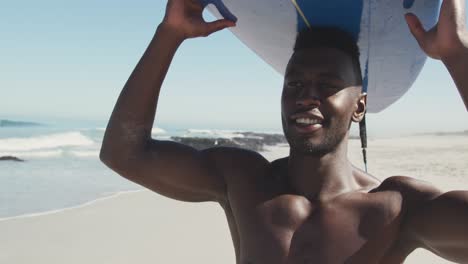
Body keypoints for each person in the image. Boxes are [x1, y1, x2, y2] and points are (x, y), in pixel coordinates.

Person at [100, 0, 468, 263]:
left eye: (328, 85)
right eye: (294, 84)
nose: (306, 96)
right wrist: (169, 34)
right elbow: (124, 153)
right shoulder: (243, 180)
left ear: (359, 106)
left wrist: (455, 54)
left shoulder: (397, 209)